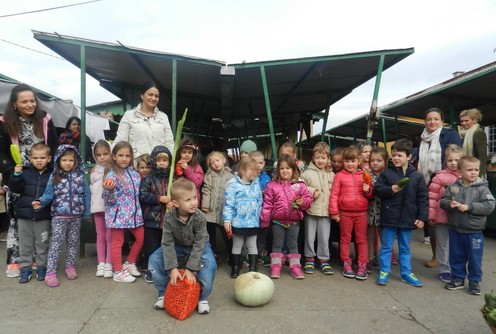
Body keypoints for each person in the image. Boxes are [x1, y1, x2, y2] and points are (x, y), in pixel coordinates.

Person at [0, 83, 59, 277]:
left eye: (32, 100)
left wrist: (52, 171)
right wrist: (11, 173)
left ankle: (38, 261)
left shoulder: (44, 119)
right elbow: (2, 152)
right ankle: (15, 261)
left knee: (40, 217)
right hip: (17, 176)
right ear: (15, 104)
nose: (29, 104)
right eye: (24, 101)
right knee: (17, 219)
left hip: (41, 177)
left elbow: (54, 146)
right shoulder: (4, 122)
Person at [148, 178, 217, 314]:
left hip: (199, 245)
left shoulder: (200, 217)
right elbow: (167, 243)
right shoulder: (169, 218)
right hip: (177, 245)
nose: (193, 203)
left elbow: (199, 244)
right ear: (176, 203)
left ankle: (202, 298)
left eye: (194, 198)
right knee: (154, 259)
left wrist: (191, 268)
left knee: (210, 264)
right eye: (188, 200)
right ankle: (163, 293)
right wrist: (172, 268)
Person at [33, 145, 91, 287]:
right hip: (59, 216)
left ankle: (70, 266)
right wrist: (40, 202)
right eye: (64, 160)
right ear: (58, 160)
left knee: (72, 243)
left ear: (76, 161)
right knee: (56, 244)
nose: (67, 163)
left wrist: (87, 213)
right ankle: (50, 273)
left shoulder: (80, 176)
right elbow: (48, 193)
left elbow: (87, 195)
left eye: (71, 160)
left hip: (76, 216)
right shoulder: (55, 176)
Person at [374, 139, 428, 287]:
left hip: (407, 218)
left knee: (405, 247)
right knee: (386, 246)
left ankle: (406, 273)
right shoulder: (386, 174)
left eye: (399, 155)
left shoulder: (417, 176)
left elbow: (423, 198)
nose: (396, 158)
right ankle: (384, 271)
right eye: (394, 155)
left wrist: (422, 218)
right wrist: (390, 189)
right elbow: (377, 190)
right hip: (389, 217)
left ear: (409, 157)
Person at [440, 156, 495, 295]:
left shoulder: (482, 189)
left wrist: (469, 207)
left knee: (474, 258)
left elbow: (489, 206)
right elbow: (443, 201)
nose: (473, 172)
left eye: (476, 170)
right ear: (460, 171)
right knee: (456, 256)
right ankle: (458, 278)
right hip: (456, 229)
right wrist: (449, 204)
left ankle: (474, 281)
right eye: (469, 169)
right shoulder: (453, 187)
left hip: (474, 231)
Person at [417, 107, 462, 269]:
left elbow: (458, 157)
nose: (432, 122)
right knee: (433, 221)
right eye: (429, 119)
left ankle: (454, 260)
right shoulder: (422, 138)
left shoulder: (450, 135)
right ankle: (436, 256)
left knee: (451, 221)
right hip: (428, 181)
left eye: (436, 119)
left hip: (448, 181)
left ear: (442, 120)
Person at [260, 154, 312, 279]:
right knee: (277, 244)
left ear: (294, 170)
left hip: (294, 221)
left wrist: (302, 202)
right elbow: (267, 204)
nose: (285, 171)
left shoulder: (300, 185)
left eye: (288, 168)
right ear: (278, 170)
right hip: (277, 222)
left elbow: (308, 200)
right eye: (282, 168)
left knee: (293, 244)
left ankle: (295, 267)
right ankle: (276, 266)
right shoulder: (272, 185)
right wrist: (265, 220)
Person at [8, 143, 52, 283]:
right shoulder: (25, 171)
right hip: (24, 214)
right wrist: (16, 175)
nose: (39, 160)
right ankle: (26, 268)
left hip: (43, 215)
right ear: (30, 158)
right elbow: (15, 188)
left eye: (42, 157)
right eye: (35, 158)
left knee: (42, 243)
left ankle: (41, 267)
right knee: (25, 244)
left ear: (49, 158)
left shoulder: (52, 174)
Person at [103, 141, 144, 283]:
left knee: (140, 238)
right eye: (120, 155)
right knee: (117, 242)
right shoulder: (111, 175)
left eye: (127, 155)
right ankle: (118, 272)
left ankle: (129, 263)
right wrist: (109, 190)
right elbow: (108, 200)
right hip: (117, 216)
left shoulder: (135, 174)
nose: (124, 158)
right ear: (114, 156)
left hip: (134, 215)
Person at [330, 146, 373, 280]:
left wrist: (368, 190)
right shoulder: (339, 176)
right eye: (347, 161)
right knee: (345, 238)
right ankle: (346, 262)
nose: (350, 164)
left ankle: (362, 264)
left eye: (353, 161)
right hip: (345, 213)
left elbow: (371, 194)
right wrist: (334, 212)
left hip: (361, 213)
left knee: (361, 239)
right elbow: (334, 195)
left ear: (359, 160)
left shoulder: (365, 174)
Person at [428, 145, 464, 284]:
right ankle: (444, 269)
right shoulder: (439, 177)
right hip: (441, 217)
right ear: (445, 161)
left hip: (460, 218)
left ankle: (457, 269)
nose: (453, 163)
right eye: (450, 160)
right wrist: (431, 216)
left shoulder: (466, 177)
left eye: (457, 160)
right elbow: (432, 197)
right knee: (443, 244)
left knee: (457, 245)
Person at [139, 145, 174, 283]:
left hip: (167, 221)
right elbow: (142, 195)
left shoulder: (173, 177)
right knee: (151, 247)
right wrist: (159, 199)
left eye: (164, 160)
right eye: (159, 160)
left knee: (165, 246)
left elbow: (178, 193)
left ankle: (166, 269)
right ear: (154, 161)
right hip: (151, 220)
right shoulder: (149, 179)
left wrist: (173, 203)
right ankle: (150, 271)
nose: (161, 163)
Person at [223, 157, 262, 277]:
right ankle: (235, 268)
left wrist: (258, 216)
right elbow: (228, 203)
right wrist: (227, 220)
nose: (255, 173)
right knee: (237, 245)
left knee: (252, 245)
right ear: (243, 170)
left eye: (256, 171)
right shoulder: (233, 185)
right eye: (252, 170)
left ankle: (253, 268)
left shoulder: (256, 185)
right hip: (238, 222)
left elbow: (260, 201)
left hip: (252, 222)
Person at [114, 81, 174, 158]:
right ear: (142, 95)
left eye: (156, 96)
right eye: (150, 94)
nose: (153, 98)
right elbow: (120, 141)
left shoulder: (163, 117)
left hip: (158, 165)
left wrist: (173, 162)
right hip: (136, 165)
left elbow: (169, 143)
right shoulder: (129, 115)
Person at [301, 142, 334, 275]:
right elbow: (300, 187)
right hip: (311, 210)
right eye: (318, 157)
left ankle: (324, 259)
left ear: (328, 159)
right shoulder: (307, 173)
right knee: (309, 236)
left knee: (324, 237)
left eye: (323, 157)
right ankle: (309, 258)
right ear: (313, 158)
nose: (320, 160)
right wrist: (311, 190)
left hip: (326, 211)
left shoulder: (332, 175)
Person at [201, 151, 234, 264]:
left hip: (224, 211)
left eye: (217, 160)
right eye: (212, 162)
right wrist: (205, 205)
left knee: (227, 235)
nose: (215, 163)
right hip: (211, 210)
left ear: (223, 160)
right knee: (210, 236)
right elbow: (206, 190)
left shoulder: (231, 176)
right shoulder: (209, 175)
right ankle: (213, 256)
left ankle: (232, 255)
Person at [90, 140, 113, 278]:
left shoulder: (114, 169)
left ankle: (109, 262)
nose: (102, 157)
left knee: (110, 236)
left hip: (111, 208)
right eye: (99, 155)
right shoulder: (94, 170)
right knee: (100, 236)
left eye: (105, 153)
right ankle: (101, 263)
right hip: (98, 208)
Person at [366, 147, 388, 274]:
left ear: (385, 161)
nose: (375, 163)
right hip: (369, 211)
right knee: (369, 237)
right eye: (372, 160)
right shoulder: (367, 175)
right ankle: (369, 259)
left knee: (384, 238)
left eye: (379, 160)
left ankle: (384, 261)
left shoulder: (387, 176)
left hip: (383, 212)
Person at [249, 150, 271, 266]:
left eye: (261, 163)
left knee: (262, 233)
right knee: (251, 233)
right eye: (255, 162)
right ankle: (249, 254)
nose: (258, 166)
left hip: (264, 211)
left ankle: (261, 252)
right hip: (251, 211)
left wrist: (266, 192)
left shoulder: (266, 177)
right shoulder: (247, 176)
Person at [174, 137, 204, 205]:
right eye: (184, 152)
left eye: (190, 153)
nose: (187, 155)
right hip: (179, 200)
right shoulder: (175, 165)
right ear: (179, 153)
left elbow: (197, 183)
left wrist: (187, 169)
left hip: (192, 201)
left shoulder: (197, 167)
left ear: (193, 154)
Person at [459, 108, 487, 178]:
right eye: (462, 121)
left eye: (466, 121)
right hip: (465, 169)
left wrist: (478, 174)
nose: (463, 123)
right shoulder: (462, 134)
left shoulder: (478, 133)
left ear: (474, 120)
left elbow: (482, 156)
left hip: (475, 171)